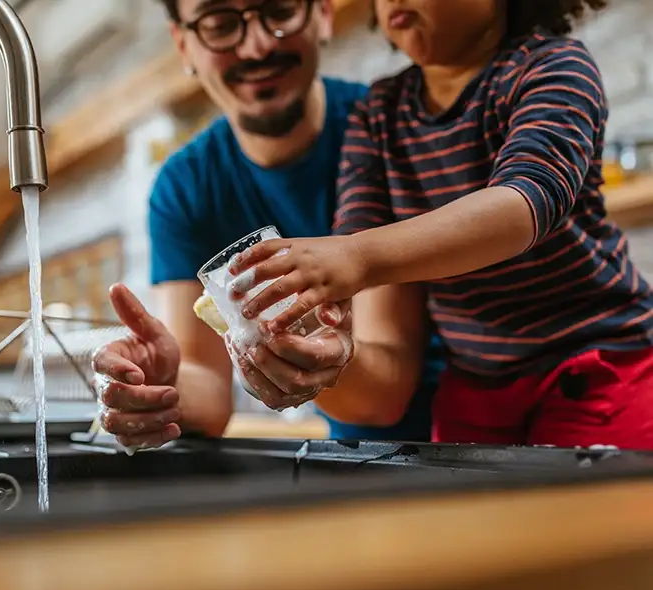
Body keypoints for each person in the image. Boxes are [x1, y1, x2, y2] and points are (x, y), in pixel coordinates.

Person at [228, 0, 653, 448]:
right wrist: (324, 336)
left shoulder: (552, 67)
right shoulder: (378, 114)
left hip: (598, 365)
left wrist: (357, 257)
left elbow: (523, 206)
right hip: (474, 386)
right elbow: (358, 239)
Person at [91, 0, 447, 450]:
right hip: (355, 458)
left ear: (322, 13)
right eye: (220, 24)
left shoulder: (382, 133)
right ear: (184, 45)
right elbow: (210, 393)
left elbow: (385, 394)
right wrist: (160, 386)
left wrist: (316, 361)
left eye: (278, 11)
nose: (256, 48)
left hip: (465, 444)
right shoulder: (186, 186)